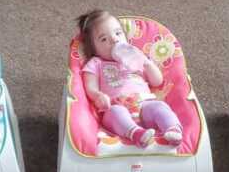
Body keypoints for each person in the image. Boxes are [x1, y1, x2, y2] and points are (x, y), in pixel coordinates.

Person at [77, 9, 182, 148]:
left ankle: (172, 129)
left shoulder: (135, 57)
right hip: (116, 106)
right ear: (94, 50)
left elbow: (157, 81)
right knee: (115, 114)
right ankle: (137, 134)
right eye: (104, 39)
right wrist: (97, 96)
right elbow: (90, 86)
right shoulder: (96, 63)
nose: (114, 39)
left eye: (118, 33)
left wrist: (146, 63)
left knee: (160, 107)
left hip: (144, 104)